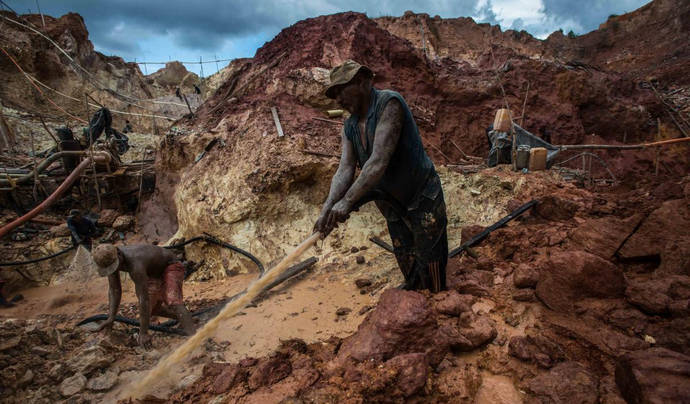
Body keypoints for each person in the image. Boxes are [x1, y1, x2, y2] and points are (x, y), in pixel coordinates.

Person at [314, 60, 448, 293]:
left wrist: (347, 201)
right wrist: (327, 208)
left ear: (363, 82)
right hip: (391, 205)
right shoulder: (350, 125)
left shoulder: (389, 103)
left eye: (341, 90)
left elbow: (377, 162)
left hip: (421, 194)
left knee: (432, 259)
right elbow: (345, 168)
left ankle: (440, 304)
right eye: (334, 94)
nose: (338, 100)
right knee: (407, 258)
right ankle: (416, 303)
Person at [91, 243, 195, 346]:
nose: (117, 268)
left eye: (116, 265)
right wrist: (111, 317)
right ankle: (187, 319)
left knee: (173, 301)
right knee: (152, 309)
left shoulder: (135, 264)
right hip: (152, 273)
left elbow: (143, 298)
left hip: (170, 265)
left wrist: (143, 333)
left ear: (119, 253)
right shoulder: (111, 260)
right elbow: (115, 289)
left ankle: (195, 338)